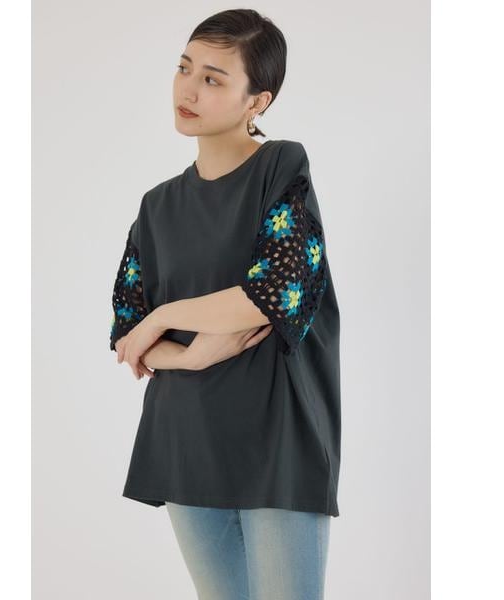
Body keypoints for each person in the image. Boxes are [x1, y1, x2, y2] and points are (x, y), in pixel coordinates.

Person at [109, 9, 341, 599]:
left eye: (213, 78)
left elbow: (277, 292)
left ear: (256, 102)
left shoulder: (281, 167)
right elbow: (127, 334)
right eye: (185, 68)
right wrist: (187, 356)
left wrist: (166, 316)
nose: (188, 89)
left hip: (277, 442)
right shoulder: (157, 207)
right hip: (185, 438)